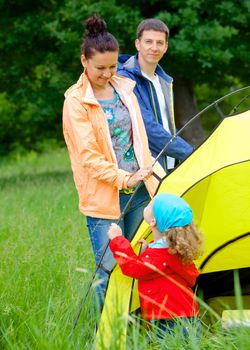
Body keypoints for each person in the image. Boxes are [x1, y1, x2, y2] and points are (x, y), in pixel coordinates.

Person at [62, 15, 164, 308]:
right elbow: (89, 157)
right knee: (108, 268)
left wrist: (150, 174)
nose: (108, 73)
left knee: (140, 262)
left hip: (141, 191)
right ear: (84, 61)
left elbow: (139, 140)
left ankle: (136, 325)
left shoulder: (125, 89)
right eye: (100, 68)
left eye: (112, 66)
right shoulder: (75, 101)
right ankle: (106, 335)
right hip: (104, 197)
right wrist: (124, 178)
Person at [108, 193, 203, 338]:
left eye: (150, 205)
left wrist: (117, 239)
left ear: (153, 221)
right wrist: (149, 250)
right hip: (188, 316)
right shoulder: (175, 249)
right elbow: (163, 266)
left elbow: (133, 267)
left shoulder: (159, 256)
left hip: (169, 322)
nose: (148, 204)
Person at [118, 18, 193, 171]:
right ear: (137, 44)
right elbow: (147, 128)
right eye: (148, 42)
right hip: (142, 169)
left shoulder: (164, 81)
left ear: (166, 47)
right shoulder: (125, 79)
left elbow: (166, 125)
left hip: (169, 164)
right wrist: (189, 152)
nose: (154, 47)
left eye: (159, 43)